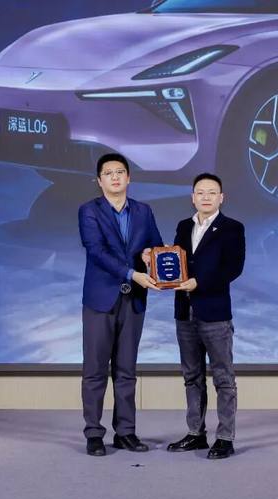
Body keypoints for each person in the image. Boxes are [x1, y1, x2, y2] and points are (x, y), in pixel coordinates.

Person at [78, 153, 163, 456]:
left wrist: (151, 257)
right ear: (99, 180)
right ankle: (93, 433)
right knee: (95, 370)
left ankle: (126, 432)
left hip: (134, 300)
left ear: (129, 177)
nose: (114, 177)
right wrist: (132, 273)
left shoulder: (144, 211)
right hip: (100, 300)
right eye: (108, 173)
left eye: (120, 172)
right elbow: (96, 251)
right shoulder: (89, 211)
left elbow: (155, 245)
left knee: (127, 370)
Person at [166, 172, 245, 460]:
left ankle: (225, 437)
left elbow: (233, 268)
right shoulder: (183, 226)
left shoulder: (232, 228)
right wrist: (164, 270)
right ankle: (195, 433)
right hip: (184, 312)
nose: (206, 197)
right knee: (192, 377)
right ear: (193, 197)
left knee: (223, 378)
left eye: (212, 192)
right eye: (200, 192)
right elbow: (176, 261)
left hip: (215, 313)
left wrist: (199, 282)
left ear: (221, 197)